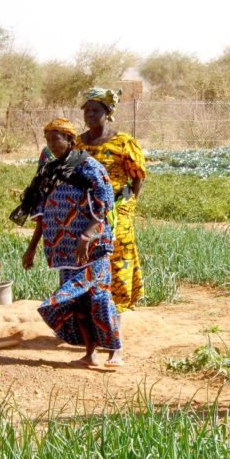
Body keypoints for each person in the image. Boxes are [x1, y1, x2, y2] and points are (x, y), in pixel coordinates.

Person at [15, 118, 121, 367]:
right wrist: (31, 249)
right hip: (64, 252)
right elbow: (41, 215)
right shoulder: (50, 171)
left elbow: (104, 204)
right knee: (76, 303)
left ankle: (116, 350)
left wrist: (86, 236)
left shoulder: (88, 166)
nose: (52, 144)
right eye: (48, 139)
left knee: (99, 299)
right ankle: (90, 352)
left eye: (57, 138)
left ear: (70, 140)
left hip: (92, 248)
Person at [76, 87, 146, 367]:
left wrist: (127, 206)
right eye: (87, 110)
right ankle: (91, 344)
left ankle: (115, 345)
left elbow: (137, 178)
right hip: (84, 217)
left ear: (108, 113)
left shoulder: (123, 142)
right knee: (87, 275)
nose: (90, 115)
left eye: (96, 110)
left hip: (116, 217)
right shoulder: (78, 144)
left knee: (115, 273)